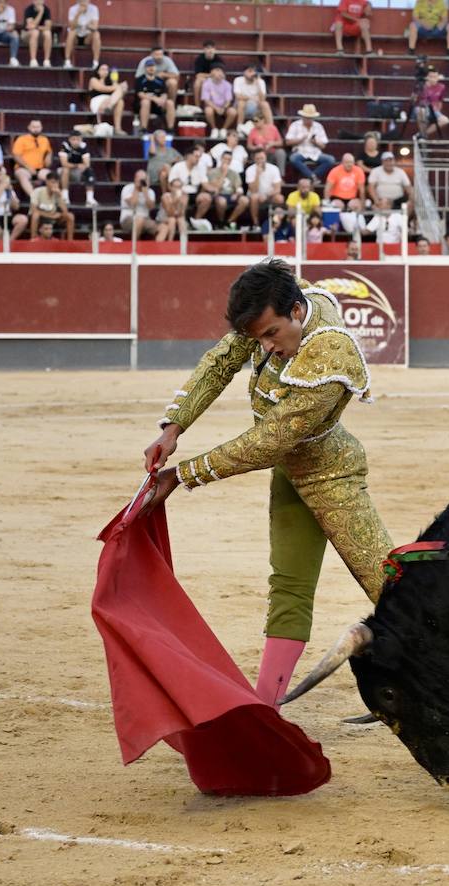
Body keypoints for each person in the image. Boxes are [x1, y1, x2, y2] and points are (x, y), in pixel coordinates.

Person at [141, 260, 393, 706]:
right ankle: (266, 711)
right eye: (259, 337)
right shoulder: (275, 312)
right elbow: (222, 361)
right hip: (291, 474)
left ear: (297, 312)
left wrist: (183, 475)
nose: (265, 347)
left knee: (393, 593)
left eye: (271, 334)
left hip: (331, 475)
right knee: (289, 588)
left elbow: (269, 441)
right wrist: (174, 426)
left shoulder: (329, 352)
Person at [287, 104, 335, 183]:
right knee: (293, 158)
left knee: (330, 160)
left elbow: (323, 146)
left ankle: (311, 177)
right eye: (307, 118)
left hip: (315, 152)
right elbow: (288, 142)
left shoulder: (319, 126)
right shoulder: (295, 125)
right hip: (300, 151)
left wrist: (315, 142)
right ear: (303, 117)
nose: (309, 119)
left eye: (310, 118)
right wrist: (300, 140)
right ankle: (312, 177)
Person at [199, 150, 249, 227]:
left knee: (244, 200)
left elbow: (239, 188)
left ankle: (229, 221)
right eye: (225, 159)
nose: (226, 161)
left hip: (231, 195)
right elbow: (216, 188)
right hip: (218, 195)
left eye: (229, 159)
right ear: (221, 159)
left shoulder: (234, 173)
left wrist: (237, 194)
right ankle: (221, 222)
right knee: (222, 201)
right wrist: (224, 173)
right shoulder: (212, 172)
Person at [11, 118, 52, 198]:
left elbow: (48, 153)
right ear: (29, 127)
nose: (36, 129)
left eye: (38, 127)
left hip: (39, 168)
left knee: (51, 176)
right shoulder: (21, 139)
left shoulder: (45, 140)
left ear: (41, 127)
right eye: (34, 127)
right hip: (23, 168)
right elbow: (16, 155)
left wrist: (49, 156)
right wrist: (28, 167)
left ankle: (49, 199)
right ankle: (34, 198)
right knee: (22, 175)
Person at [245, 149, 285, 229]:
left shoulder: (274, 168)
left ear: (265, 158)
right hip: (255, 194)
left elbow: (277, 189)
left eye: (262, 158)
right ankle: (255, 223)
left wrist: (266, 196)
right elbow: (253, 190)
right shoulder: (250, 170)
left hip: (269, 194)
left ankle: (276, 222)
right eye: (258, 159)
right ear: (254, 159)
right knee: (254, 197)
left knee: (280, 198)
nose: (260, 160)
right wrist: (257, 175)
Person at [29, 172, 74, 239]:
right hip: (40, 218)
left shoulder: (57, 193)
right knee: (36, 215)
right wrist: (51, 215)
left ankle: (70, 242)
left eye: (57, 183)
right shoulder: (37, 191)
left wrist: (59, 196)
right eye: (52, 182)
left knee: (70, 216)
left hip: (53, 217)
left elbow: (65, 211)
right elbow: (34, 210)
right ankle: (33, 240)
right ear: (47, 182)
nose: (55, 185)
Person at [58, 130, 97, 207]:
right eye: (73, 139)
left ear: (81, 139)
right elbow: (64, 163)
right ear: (69, 139)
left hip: (76, 171)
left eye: (78, 139)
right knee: (66, 169)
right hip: (62, 172)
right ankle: (65, 197)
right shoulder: (65, 146)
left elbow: (87, 164)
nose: (76, 141)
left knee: (89, 171)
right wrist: (77, 165)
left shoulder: (83, 146)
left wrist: (81, 166)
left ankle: (90, 199)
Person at [135, 60, 175, 133]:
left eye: (153, 66)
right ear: (145, 68)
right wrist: (154, 99)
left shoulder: (160, 80)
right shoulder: (140, 79)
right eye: (149, 66)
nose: (151, 68)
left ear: (156, 67)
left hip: (158, 105)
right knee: (145, 102)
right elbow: (140, 94)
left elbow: (164, 94)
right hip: (143, 106)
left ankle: (170, 128)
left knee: (170, 103)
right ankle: (143, 128)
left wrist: (162, 100)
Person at [201, 65, 238, 140]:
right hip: (212, 106)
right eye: (216, 74)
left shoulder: (227, 85)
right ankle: (214, 129)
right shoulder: (206, 84)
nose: (218, 76)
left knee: (233, 112)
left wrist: (223, 108)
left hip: (224, 107)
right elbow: (206, 100)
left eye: (220, 74)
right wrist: (216, 108)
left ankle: (224, 129)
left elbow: (228, 100)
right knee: (208, 111)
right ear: (212, 75)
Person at [87, 62, 126, 132]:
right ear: (98, 71)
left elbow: (120, 94)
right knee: (119, 89)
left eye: (107, 69)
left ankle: (117, 128)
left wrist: (120, 86)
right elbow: (102, 88)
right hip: (97, 101)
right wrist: (117, 87)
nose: (105, 71)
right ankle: (110, 105)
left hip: (109, 101)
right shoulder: (93, 80)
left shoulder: (111, 82)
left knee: (120, 101)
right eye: (103, 69)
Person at [119, 168, 157, 239]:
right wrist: (136, 189)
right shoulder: (127, 188)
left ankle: (159, 249)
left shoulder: (150, 191)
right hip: (128, 218)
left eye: (144, 179)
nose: (142, 182)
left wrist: (145, 192)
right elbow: (133, 204)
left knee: (162, 228)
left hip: (145, 219)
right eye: (141, 179)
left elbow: (151, 207)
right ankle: (135, 247)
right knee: (139, 219)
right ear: (135, 179)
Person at [62, 0, 100, 70]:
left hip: (87, 36)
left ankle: (96, 63)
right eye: (82, 2)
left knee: (96, 34)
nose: (84, 3)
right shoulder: (72, 9)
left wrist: (87, 26)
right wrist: (78, 14)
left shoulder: (94, 9)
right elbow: (72, 26)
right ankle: (67, 61)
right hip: (76, 36)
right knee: (71, 32)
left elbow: (95, 27)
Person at [413, 68, 448, 139]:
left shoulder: (442, 87)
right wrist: (423, 87)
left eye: (435, 77)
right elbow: (413, 100)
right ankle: (422, 136)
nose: (433, 79)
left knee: (445, 120)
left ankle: (422, 134)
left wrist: (438, 111)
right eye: (431, 77)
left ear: (438, 77)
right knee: (422, 112)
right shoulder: (421, 85)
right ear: (427, 77)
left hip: (434, 110)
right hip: (421, 108)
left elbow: (440, 100)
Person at [22, 1, 53, 67]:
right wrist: (40, 13)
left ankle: (46, 60)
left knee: (48, 33)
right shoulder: (29, 9)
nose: (38, 1)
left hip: (40, 35)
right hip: (27, 35)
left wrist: (36, 27)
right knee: (35, 32)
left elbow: (48, 27)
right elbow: (30, 26)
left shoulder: (46, 9)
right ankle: (33, 60)